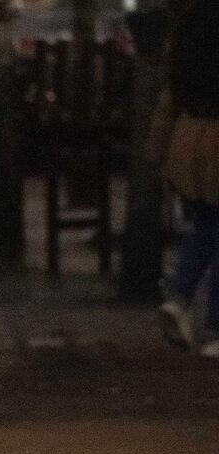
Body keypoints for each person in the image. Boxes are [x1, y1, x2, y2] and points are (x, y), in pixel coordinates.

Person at [154, 0, 219, 356]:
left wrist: (161, 148)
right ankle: (215, 327)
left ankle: (179, 299)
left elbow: (170, 93)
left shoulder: (189, 25)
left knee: (205, 224)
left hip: (189, 134)